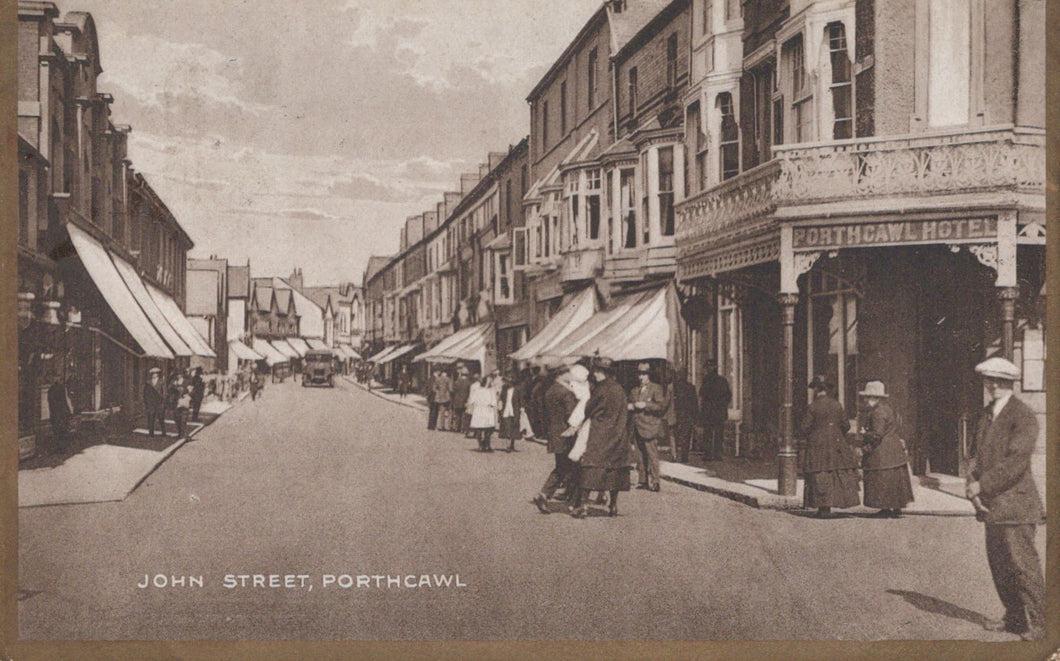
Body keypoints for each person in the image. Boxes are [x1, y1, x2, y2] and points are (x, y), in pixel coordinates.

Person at [966, 357, 1044, 641]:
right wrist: (971, 486)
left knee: (1023, 566)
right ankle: (1013, 616)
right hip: (991, 505)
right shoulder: (986, 414)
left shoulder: (1022, 415)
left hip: (1016, 504)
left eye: (1000, 380)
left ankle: (1039, 623)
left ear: (1011, 383)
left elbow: (1016, 462)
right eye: (990, 380)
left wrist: (981, 485)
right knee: (999, 564)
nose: (994, 385)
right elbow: (973, 455)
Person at [569, 357, 633, 518]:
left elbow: (588, 409)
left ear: (602, 372)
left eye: (596, 371)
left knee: (590, 468)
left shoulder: (600, 389)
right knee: (615, 471)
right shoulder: (620, 389)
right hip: (618, 435)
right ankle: (613, 505)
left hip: (600, 434)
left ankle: (583, 506)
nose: (594, 374)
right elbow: (625, 412)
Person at [799, 375, 860, 518]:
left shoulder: (812, 407)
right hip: (836, 446)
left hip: (817, 447)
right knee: (835, 474)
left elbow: (804, 428)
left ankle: (823, 508)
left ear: (817, 390)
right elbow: (846, 425)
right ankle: (834, 503)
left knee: (820, 473)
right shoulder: (837, 405)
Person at [857, 381, 913, 518]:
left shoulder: (877, 412)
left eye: (867, 397)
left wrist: (865, 433)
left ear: (873, 398)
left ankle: (886, 508)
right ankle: (896, 506)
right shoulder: (887, 408)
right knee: (894, 480)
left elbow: (877, 434)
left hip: (882, 452)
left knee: (882, 480)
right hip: (893, 451)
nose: (865, 401)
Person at [531, 366, 578, 514]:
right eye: (568, 373)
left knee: (563, 466)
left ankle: (547, 494)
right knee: (569, 467)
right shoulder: (566, 393)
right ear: (561, 375)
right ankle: (548, 495)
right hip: (566, 435)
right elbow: (572, 416)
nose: (571, 375)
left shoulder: (550, 391)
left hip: (554, 433)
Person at [628, 362, 670, 492]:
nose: (641, 377)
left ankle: (655, 481)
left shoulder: (655, 389)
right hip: (636, 426)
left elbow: (661, 406)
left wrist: (645, 404)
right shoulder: (634, 390)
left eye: (644, 374)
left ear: (649, 375)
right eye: (640, 374)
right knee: (639, 455)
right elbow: (631, 404)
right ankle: (643, 480)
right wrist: (630, 406)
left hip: (649, 427)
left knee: (652, 455)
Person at [700, 359, 731, 460]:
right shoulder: (723, 380)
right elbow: (728, 396)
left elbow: (702, 394)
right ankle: (717, 454)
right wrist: (723, 405)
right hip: (719, 411)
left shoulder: (706, 380)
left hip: (709, 411)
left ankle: (708, 454)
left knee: (708, 433)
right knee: (719, 434)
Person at [671, 367, 699, 464]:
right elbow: (695, 404)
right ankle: (683, 457)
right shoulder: (689, 387)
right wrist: (695, 417)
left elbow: (694, 403)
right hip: (685, 416)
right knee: (685, 437)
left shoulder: (674, 387)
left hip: (679, 415)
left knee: (676, 436)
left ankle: (676, 456)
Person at [468, 374, 497, 452]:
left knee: (479, 428)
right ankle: (487, 445)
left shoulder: (477, 391)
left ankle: (481, 445)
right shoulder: (491, 391)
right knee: (488, 428)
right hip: (487, 411)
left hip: (478, 411)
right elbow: (493, 403)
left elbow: (471, 401)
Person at [47, 377, 74, 454]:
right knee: (62, 430)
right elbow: (66, 400)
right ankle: (63, 447)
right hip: (61, 413)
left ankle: (61, 447)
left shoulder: (53, 389)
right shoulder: (60, 388)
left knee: (58, 430)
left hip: (57, 413)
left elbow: (53, 403)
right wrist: (69, 412)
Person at [498, 372, 522, 453]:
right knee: (507, 427)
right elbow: (501, 398)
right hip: (506, 410)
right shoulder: (504, 389)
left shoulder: (517, 389)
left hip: (514, 410)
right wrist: (500, 407)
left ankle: (512, 444)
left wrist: (521, 408)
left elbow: (520, 400)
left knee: (514, 427)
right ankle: (507, 445)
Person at [143, 368, 165, 437]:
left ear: (158, 374)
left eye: (155, 373)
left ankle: (163, 431)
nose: (154, 375)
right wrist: (146, 401)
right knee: (151, 417)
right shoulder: (148, 382)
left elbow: (164, 392)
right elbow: (145, 392)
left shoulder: (161, 382)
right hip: (151, 403)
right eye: (152, 374)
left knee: (161, 418)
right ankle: (151, 433)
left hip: (159, 402)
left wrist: (163, 402)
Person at [450, 366, 472, 436]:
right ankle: (463, 428)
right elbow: (469, 392)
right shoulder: (469, 383)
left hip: (457, 400)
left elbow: (453, 391)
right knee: (463, 415)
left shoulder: (457, 382)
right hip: (465, 400)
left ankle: (457, 428)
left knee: (457, 415)